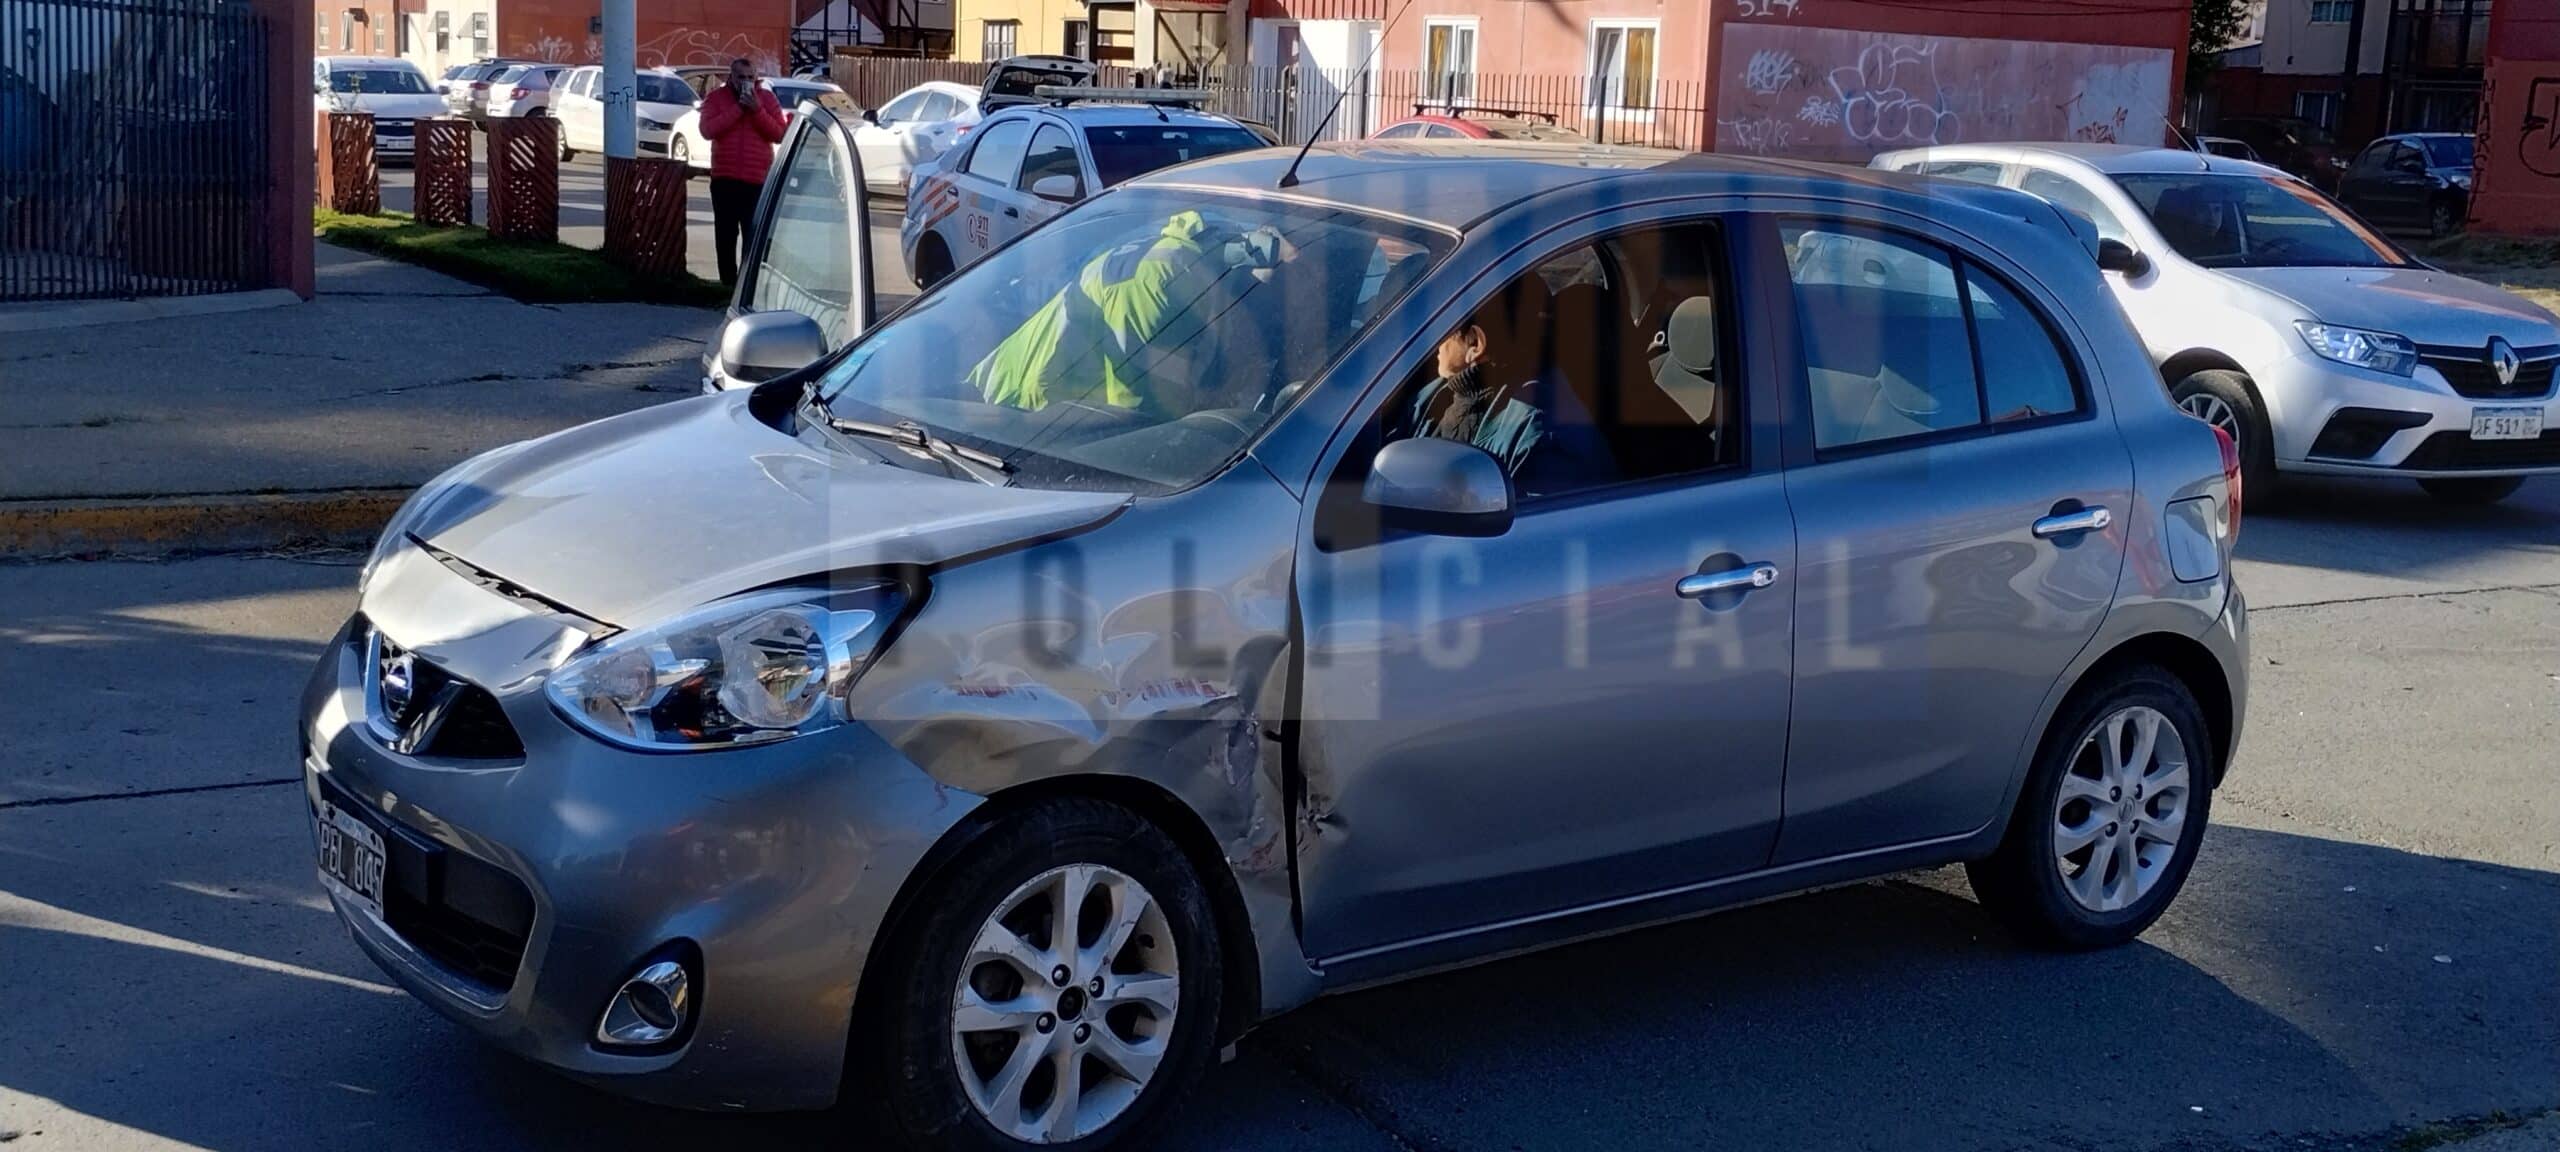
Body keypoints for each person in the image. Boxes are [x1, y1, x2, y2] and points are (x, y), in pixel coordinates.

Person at [968, 210, 1294, 415]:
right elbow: (1139, 418)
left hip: (1046, 410)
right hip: (1011, 409)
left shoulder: (1189, 263)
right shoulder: (1168, 286)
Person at [698, 57, 787, 284]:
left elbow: (779, 134)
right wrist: (738, 109)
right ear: (731, 77)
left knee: (753, 236)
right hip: (724, 178)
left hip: (756, 179)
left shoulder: (766, 99)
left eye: (750, 77)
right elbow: (708, 130)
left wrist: (757, 110)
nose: (745, 81)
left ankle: (749, 285)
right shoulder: (716, 98)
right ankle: (728, 282)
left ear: (756, 77)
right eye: (741, 77)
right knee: (725, 236)